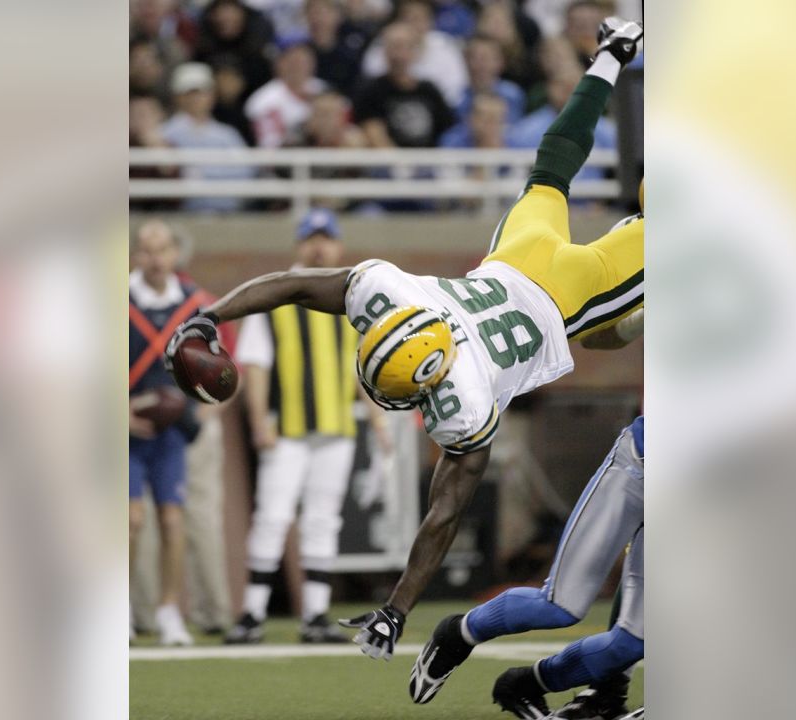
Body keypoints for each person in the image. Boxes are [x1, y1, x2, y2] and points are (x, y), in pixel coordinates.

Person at [167, 18, 645, 663]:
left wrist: (397, 610)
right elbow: (291, 283)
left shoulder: (464, 396)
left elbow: (442, 514)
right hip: (516, 258)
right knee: (553, 165)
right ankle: (613, 55)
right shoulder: (397, 298)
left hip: (570, 301)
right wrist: (209, 317)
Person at [225, 208, 389, 644]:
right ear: (299, 245)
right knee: (273, 516)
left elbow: (362, 368)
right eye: (311, 238)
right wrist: (260, 420)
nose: (319, 245)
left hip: (335, 427)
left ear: (337, 245)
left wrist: (378, 419)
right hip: (289, 427)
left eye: (326, 237)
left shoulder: (352, 297)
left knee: (323, 519)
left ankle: (315, 616)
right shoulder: (277, 294)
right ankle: (252, 616)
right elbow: (255, 363)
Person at [410, 416, 645, 719]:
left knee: (630, 644)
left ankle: (525, 685)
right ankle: (457, 634)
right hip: (637, 468)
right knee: (560, 605)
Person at [130, 219, 213, 646]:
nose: (155, 258)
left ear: (175, 254)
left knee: (172, 517)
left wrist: (205, 396)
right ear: (135, 255)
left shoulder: (194, 304)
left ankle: (168, 610)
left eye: (162, 249)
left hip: (171, 432)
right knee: (129, 519)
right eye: (147, 250)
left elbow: (214, 364)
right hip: (126, 430)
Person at [161, 63, 254, 212]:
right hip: (181, 215)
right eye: (189, 93)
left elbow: (245, 172)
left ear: (212, 96)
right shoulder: (165, 133)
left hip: (227, 215)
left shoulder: (227, 134)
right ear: (177, 97)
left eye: (201, 93)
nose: (195, 99)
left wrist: (202, 174)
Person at [353, 22, 455, 148]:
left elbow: (448, 130)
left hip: (430, 162)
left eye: (403, 47)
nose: (398, 55)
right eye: (393, 47)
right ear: (385, 51)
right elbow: (375, 135)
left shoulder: (429, 90)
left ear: (415, 51)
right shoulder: (371, 90)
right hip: (388, 164)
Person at [359, 0, 468, 107]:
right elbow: (371, 79)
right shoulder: (384, 42)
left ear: (430, 21)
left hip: (436, 109)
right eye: (407, 18)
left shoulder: (445, 46)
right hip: (388, 106)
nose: (413, 24)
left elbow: (455, 88)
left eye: (418, 18)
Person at [244, 40, 326, 148]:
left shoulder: (324, 90)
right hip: (288, 160)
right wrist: (306, 130)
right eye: (294, 62)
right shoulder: (265, 100)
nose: (299, 67)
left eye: (304, 61)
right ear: (279, 64)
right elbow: (270, 147)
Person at [455, 34, 526, 124]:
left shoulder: (512, 95)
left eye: (485, 58)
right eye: (472, 57)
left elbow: (514, 130)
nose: (478, 64)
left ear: (500, 62)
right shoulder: (457, 96)